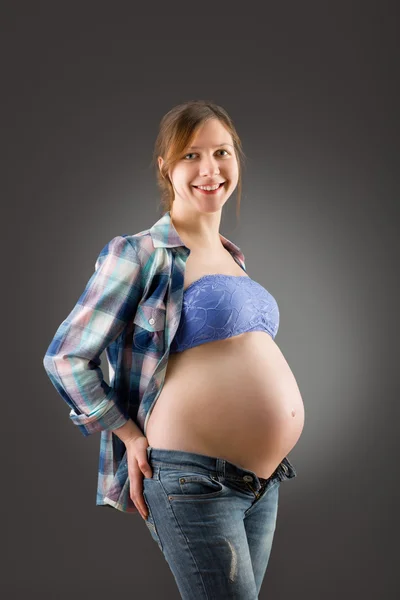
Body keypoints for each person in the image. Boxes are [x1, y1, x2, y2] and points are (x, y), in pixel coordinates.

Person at [43, 99, 304, 599]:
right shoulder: (140, 252)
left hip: (261, 484)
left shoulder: (232, 257)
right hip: (195, 481)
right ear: (166, 167)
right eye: (191, 155)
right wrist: (128, 435)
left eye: (222, 152)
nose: (210, 169)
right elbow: (65, 356)